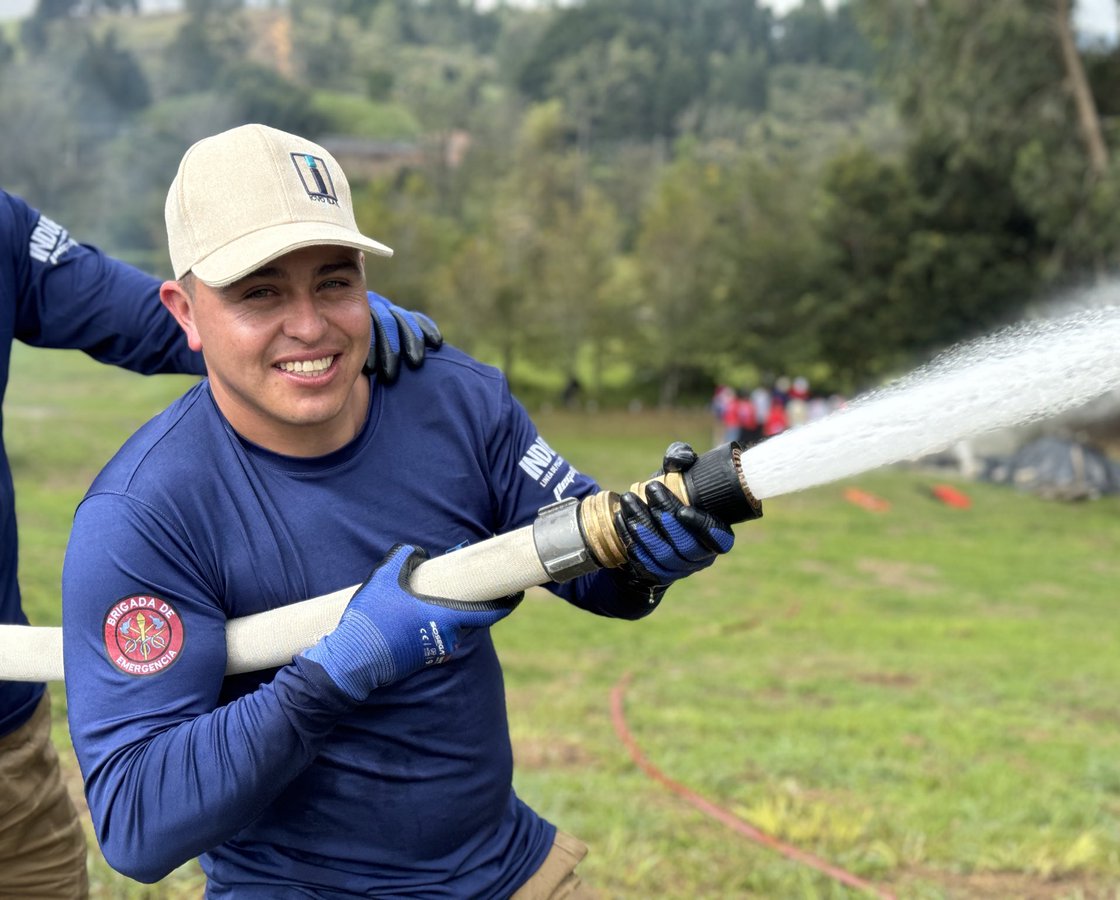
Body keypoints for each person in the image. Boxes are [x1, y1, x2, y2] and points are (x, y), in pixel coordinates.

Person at [60, 124, 736, 897]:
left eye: (335, 282)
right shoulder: (144, 514)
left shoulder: (454, 399)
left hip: (511, 876)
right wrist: (337, 671)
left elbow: (592, 566)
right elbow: (137, 825)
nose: (310, 326)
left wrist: (647, 558)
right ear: (184, 312)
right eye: (261, 292)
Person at [0, 187, 441, 899]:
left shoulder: (1, 226)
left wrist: (308, 329)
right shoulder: (134, 515)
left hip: (4, 746)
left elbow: (153, 317)